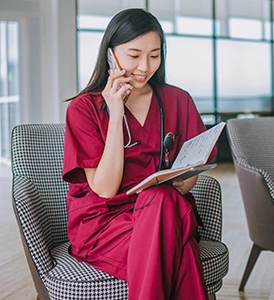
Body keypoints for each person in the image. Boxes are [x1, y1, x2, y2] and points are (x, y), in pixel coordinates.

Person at [62, 8, 217, 300]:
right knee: (176, 240)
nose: (145, 67)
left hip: (166, 212)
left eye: (154, 55)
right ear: (110, 55)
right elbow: (105, 188)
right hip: (104, 226)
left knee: (164, 197)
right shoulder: (84, 109)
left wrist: (182, 182)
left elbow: (190, 174)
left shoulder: (178, 100)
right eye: (134, 56)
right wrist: (116, 110)